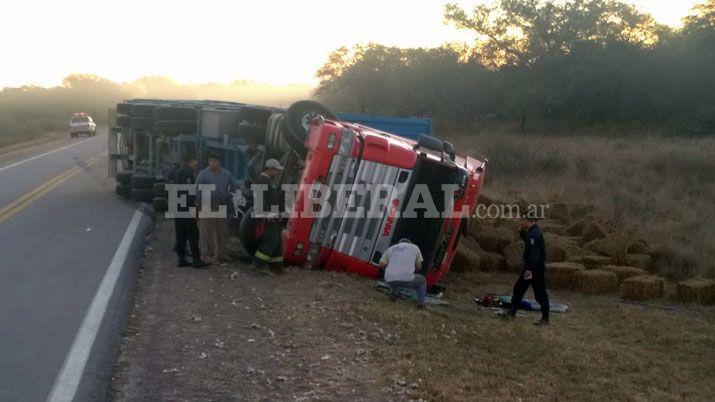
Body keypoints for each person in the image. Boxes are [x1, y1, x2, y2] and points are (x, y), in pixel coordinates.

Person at [505, 214, 550, 325]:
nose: (521, 221)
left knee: (540, 293)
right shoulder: (532, 231)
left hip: (535, 269)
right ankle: (512, 312)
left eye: (523, 220)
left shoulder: (535, 233)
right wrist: (521, 232)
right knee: (519, 288)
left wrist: (529, 269)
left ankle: (545, 318)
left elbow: (535, 253)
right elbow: (528, 241)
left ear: (529, 220)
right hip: (531, 267)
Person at [196, 153, 237, 264]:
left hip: (221, 206)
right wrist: (198, 206)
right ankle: (206, 254)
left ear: (220, 162)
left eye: (214, 161)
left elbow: (234, 187)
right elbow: (197, 190)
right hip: (207, 206)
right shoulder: (203, 174)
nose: (212, 163)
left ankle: (221, 254)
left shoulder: (226, 174)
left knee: (222, 232)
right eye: (210, 161)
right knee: (206, 232)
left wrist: (230, 197)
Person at [173, 154, 210, 269]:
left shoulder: (180, 170)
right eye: (195, 161)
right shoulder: (187, 172)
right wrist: (194, 206)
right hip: (186, 208)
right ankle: (196, 260)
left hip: (178, 207)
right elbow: (188, 193)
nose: (196, 164)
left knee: (181, 234)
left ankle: (181, 259)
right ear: (191, 160)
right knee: (193, 234)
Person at [252, 159, 285, 274]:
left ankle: (277, 267)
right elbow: (260, 200)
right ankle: (257, 264)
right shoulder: (262, 181)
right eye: (276, 170)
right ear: (270, 169)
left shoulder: (268, 181)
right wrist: (266, 215)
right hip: (268, 217)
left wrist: (279, 214)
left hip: (273, 216)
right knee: (271, 241)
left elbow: (272, 199)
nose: (278, 173)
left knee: (277, 241)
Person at [379, 238, 427, 309]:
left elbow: (381, 265)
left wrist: (390, 270)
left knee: (394, 276)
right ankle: (421, 305)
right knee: (422, 281)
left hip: (389, 279)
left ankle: (393, 293)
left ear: (399, 243)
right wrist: (412, 272)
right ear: (409, 243)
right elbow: (419, 266)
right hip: (406, 278)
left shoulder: (390, 249)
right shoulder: (414, 247)